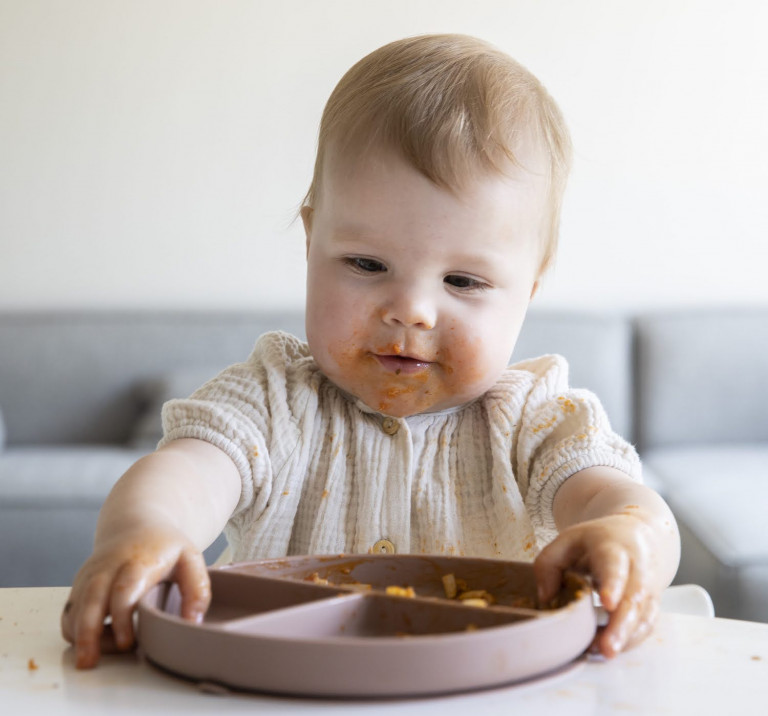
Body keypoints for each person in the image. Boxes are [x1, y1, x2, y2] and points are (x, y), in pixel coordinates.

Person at [61, 34, 680, 669]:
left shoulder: (536, 422)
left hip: (490, 687)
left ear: (530, 289)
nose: (410, 309)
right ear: (311, 244)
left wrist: (628, 538)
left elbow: (624, 503)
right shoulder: (274, 401)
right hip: (276, 685)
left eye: (463, 282)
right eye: (366, 263)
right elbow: (187, 475)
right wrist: (144, 532)